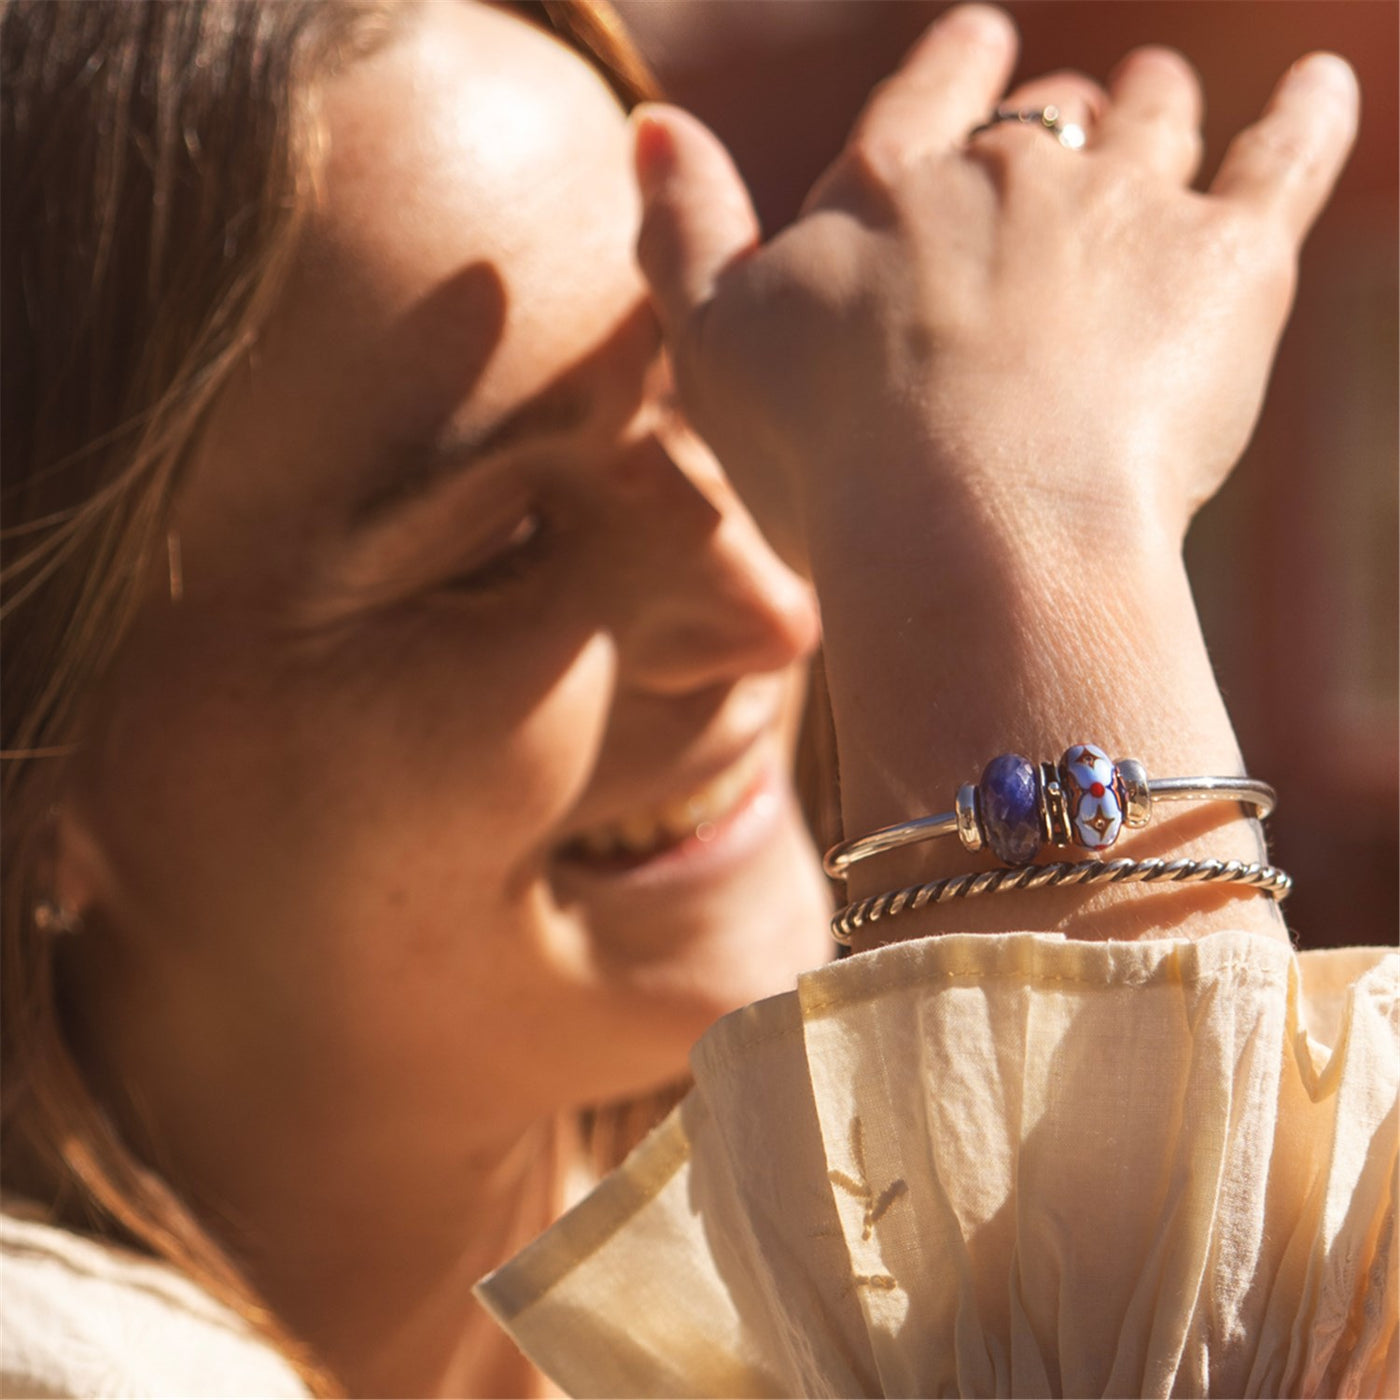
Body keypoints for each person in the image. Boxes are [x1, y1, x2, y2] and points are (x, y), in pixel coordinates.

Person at [0, 1, 1391, 1397]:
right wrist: (1028, 518)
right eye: (505, 547)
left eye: (717, 416)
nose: (773, 609)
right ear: (46, 753)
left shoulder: (801, 1297)